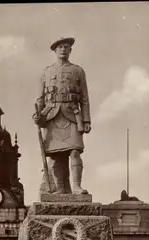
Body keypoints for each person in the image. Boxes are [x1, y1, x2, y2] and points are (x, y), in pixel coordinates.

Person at [33, 37, 91, 195]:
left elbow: (84, 98)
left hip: (73, 115)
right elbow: (40, 99)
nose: (63, 49)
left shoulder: (78, 70)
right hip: (52, 116)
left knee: (75, 151)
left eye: (66, 47)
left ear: (70, 50)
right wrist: (38, 116)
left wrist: (86, 120)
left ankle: (77, 187)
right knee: (55, 156)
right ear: (55, 50)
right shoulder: (46, 72)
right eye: (60, 47)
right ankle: (59, 189)